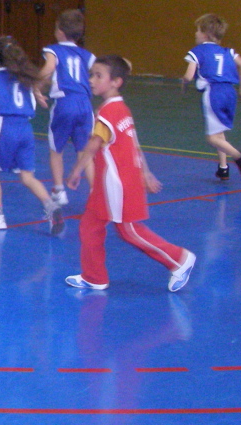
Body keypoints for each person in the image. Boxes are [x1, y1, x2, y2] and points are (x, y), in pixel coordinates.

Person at [65, 55, 196, 292]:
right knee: (90, 226)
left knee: (129, 230)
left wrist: (76, 170)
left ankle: (179, 259)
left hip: (118, 184)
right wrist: (145, 172)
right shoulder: (121, 109)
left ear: (116, 82)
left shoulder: (107, 114)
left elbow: (94, 144)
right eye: (91, 74)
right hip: (110, 184)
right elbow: (134, 143)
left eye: (98, 76)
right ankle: (94, 277)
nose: (92, 80)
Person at [0, 36, 64, 235]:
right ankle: (51, 207)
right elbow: (33, 105)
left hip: (5, 128)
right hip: (25, 130)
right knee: (28, 177)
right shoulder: (25, 79)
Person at [182, 14, 241, 180]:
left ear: (205, 34)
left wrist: (184, 82)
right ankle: (223, 168)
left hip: (213, 94)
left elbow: (188, 75)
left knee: (212, 138)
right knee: (219, 132)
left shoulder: (197, 51)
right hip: (230, 94)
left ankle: (239, 157)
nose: (195, 34)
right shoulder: (227, 52)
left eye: (197, 31)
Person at [38, 9, 96, 205]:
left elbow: (48, 70)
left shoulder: (53, 50)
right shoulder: (86, 55)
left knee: (56, 149)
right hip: (84, 104)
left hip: (64, 102)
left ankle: (59, 190)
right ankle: (94, 192)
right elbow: (100, 70)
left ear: (59, 31)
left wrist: (35, 84)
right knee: (84, 151)